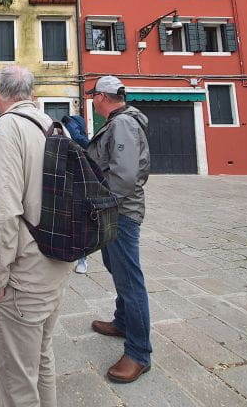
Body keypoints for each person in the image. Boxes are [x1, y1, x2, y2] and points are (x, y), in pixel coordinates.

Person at [0, 66, 73, 407]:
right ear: (33, 94)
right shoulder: (54, 126)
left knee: (18, 380)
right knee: (42, 357)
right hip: (56, 265)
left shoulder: (6, 129)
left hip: (24, 276)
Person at [85, 75, 152, 384]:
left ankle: (139, 353)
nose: (91, 100)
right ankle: (123, 321)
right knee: (117, 269)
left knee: (129, 280)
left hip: (120, 213)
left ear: (102, 97)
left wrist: (98, 202)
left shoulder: (122, 123)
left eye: (93, 96)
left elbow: (123, 178)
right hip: (115, 210)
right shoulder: (118, 122)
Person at [61, 114, 91, 275]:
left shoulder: (85, 144)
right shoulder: (62, 140)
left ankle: (82, 259)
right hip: (64, 185)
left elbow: (80, 139)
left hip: (80, 188)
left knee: (80, 224)